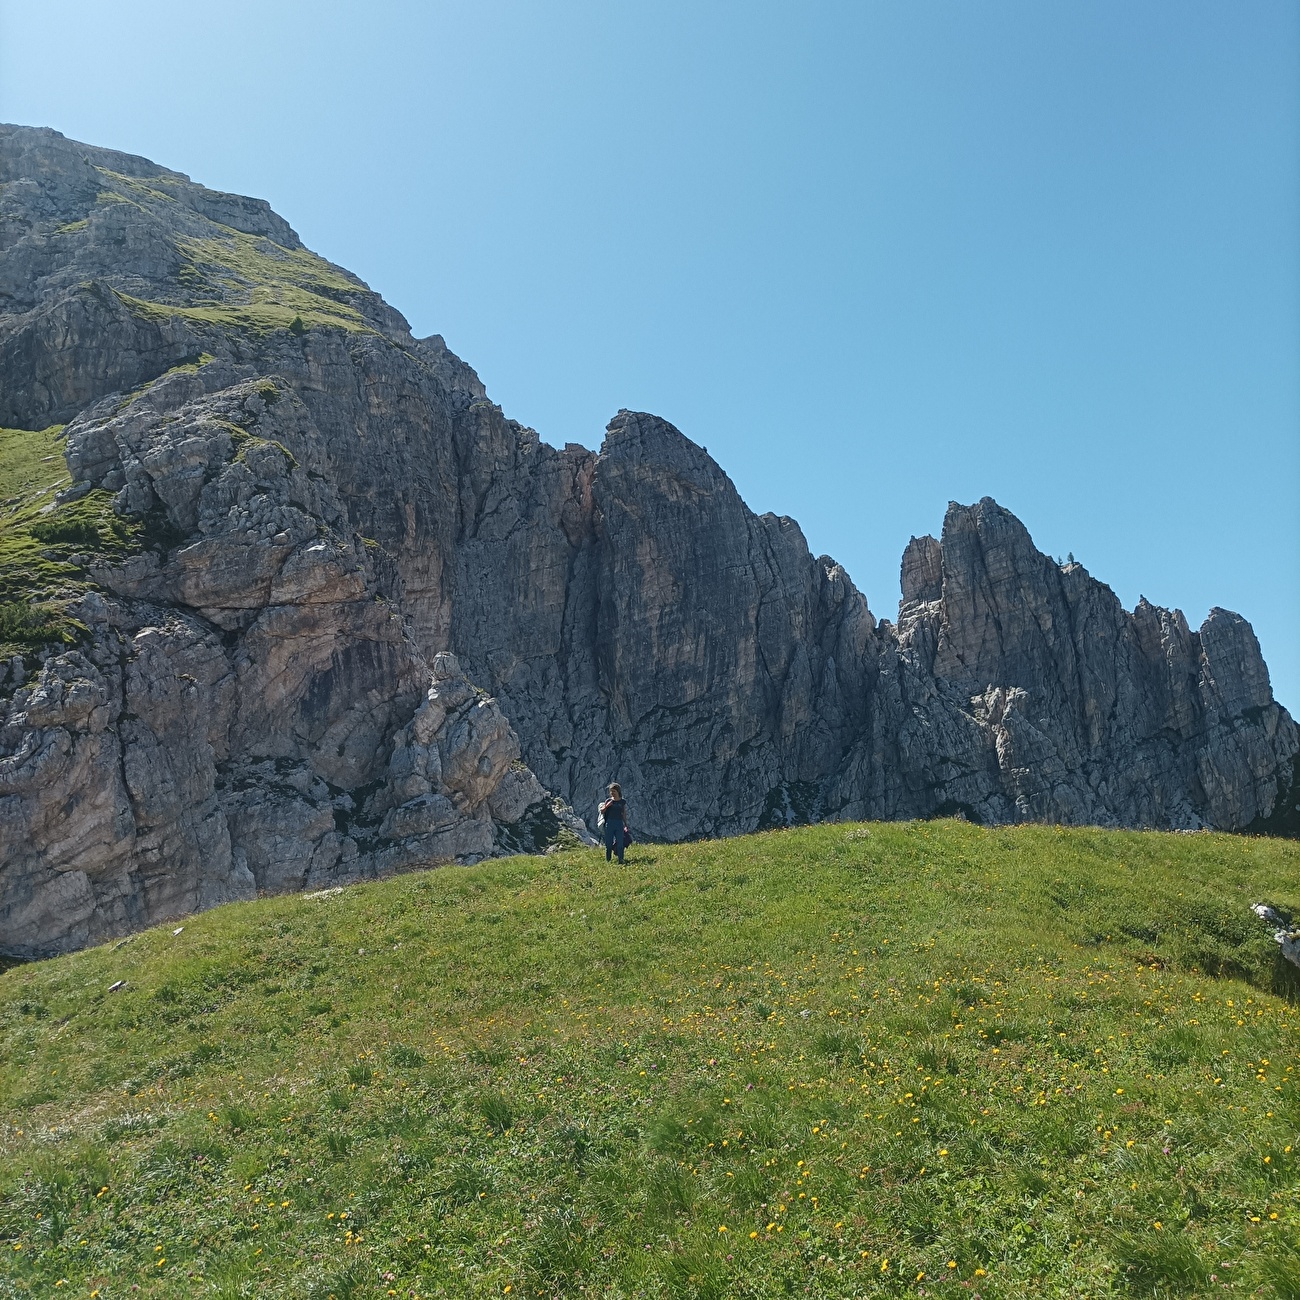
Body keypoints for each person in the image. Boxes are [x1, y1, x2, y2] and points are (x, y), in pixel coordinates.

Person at [599, 783, 629, 864]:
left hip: (619, 824)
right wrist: (607, 806)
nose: (612, 793)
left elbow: (623, 813)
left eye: (614, 791)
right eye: (611, 791)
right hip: (609, 824)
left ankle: (621, 860)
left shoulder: (622, 801)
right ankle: (608, 860)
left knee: (620, 843)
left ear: (618, 791)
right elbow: (602, 811)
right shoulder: (608, 801)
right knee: (608, 844)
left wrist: (626, 824)